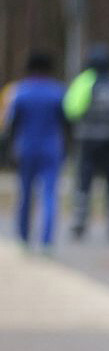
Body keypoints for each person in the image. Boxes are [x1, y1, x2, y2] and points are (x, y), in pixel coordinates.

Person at [63, 43, 109, 242]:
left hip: (87, 138)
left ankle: (80, 220)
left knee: (84, 179)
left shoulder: (85, 80)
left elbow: (72, 109)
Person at [3, 52, 68, 253]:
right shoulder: (58, 92)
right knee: (49, 195)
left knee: (25, 194)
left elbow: (12, 125)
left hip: (26, 148)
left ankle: (23, 238)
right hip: (51, 149)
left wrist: (7, 152)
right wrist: (68, 149)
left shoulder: (20, 92)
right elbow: (66, 124)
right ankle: (46, 241)